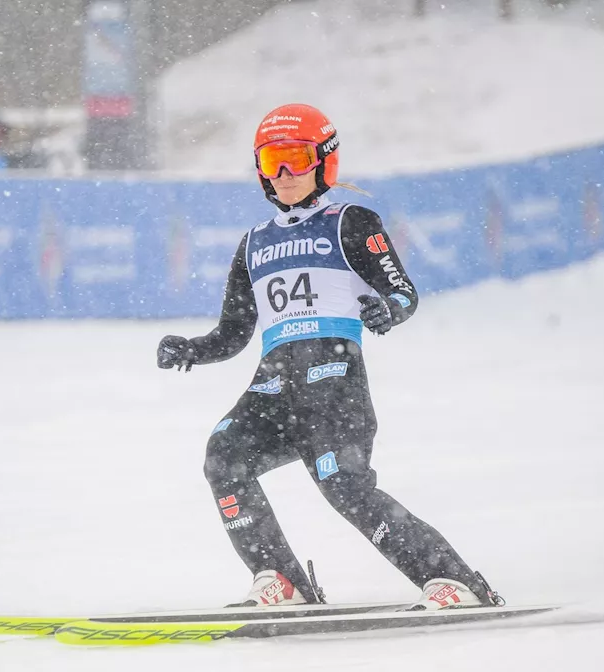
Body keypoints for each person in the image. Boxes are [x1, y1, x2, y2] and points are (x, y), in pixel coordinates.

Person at [156, 104, 503, 611]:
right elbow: (233, 333)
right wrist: (192, 350)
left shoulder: (351, 221)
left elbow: (403, 291)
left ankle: (455, 582)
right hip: (273, 389)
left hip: (334, 385)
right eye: (272, 160)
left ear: (324, 162)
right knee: (223, 457)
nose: (284, 174)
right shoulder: (253, 242)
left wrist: (387, 309)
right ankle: (282, 580)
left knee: (344, 485)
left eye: (295, 158)